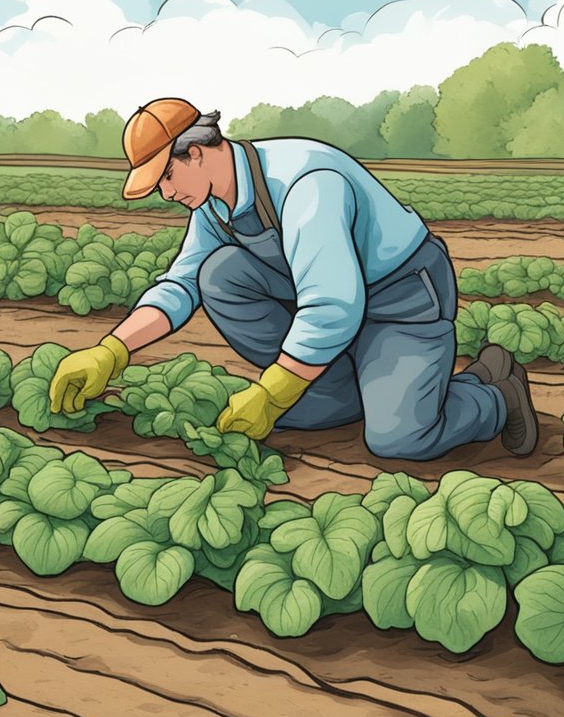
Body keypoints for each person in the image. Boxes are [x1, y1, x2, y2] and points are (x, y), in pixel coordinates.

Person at [47, 97, 537, 460]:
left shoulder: (305, 182)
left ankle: (491, 392)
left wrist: (272, 391)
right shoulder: (214, 204)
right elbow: (183, 283)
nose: (166, 193)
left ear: (194, 153)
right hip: (330, 307)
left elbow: (333, 306)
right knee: (220, 274)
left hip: (399, 298)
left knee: (399, 438)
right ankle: (354, 385)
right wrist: (111, 350)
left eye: (165, 179)